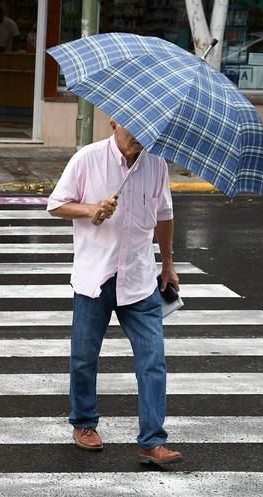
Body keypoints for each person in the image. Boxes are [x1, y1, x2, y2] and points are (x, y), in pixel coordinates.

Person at [47, 120, 183, 466]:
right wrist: (91, 209)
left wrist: (167, 263)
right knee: (84, 357)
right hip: (96, 276)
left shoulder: (156, 164)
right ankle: (84, 423)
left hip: (139, 278)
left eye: (146, 127)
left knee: (153, 360)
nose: (140, 133)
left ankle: (152, 440)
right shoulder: (88, 159)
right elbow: (56, 204)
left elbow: (164, 215)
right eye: (132, 126)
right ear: (113, 123)